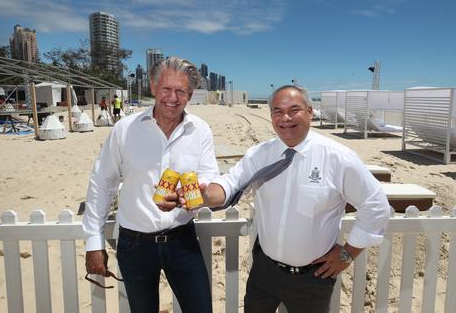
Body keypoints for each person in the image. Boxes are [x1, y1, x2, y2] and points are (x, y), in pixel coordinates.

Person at [167, 85, 391, 313]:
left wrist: (347, 253)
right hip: (264, 272)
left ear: (310, 112)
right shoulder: (259, 154)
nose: (285, 118)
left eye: (295, 110)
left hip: (312, 279)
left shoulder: (338, 158)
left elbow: (377, 206)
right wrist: (204, 196)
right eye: (277, 111)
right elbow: (230, 183)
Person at [82, 56, 219, 313]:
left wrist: (192, 196)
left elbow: (210, 177)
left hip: (182, 239)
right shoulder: (125, 129)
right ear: (153, 87)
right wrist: (94, 243)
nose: (173, 97)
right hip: (135, 244)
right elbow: (102, 183)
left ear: (190, 94)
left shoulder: (200, 130)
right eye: (166, 89)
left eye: (181, 91)